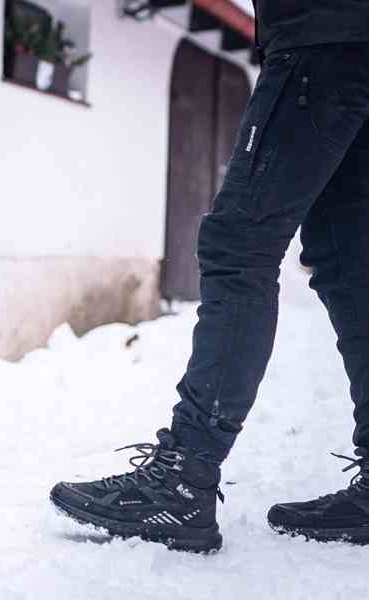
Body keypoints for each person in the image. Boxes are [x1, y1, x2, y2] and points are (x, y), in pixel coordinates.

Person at [49, 0, 369, 552]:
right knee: (347, 262)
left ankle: (183, 476)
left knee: (239, 244)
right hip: (351, 41)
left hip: (320, 36)